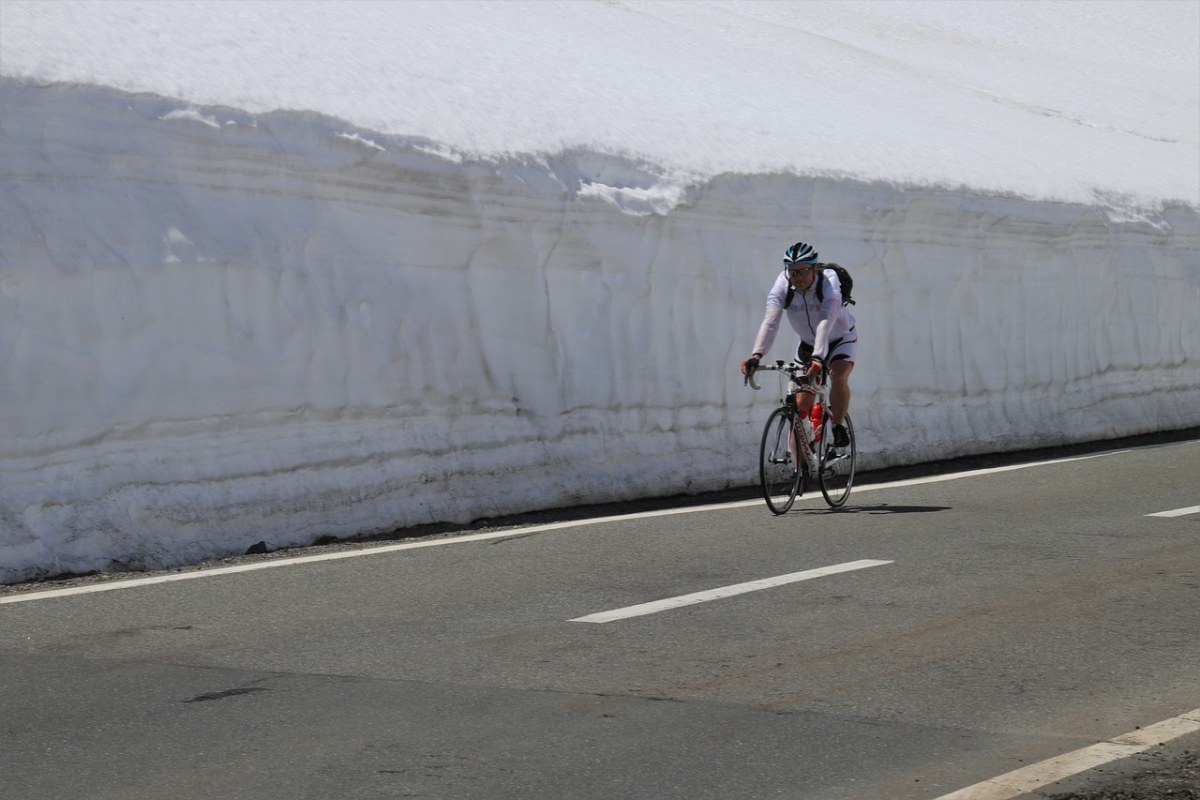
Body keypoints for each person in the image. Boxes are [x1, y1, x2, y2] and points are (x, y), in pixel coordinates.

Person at [741, 241, 857, 448]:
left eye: (803, 271)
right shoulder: (784, 284)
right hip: (808, 345)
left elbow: (826, 319)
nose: (797, 277)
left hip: (840, 338)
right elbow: (771, 320)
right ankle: (800, 471)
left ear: (815, 268)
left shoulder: (828, 282)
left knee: (836, 376)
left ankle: (838, 425)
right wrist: (756, 355)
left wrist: (819, 357)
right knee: (800, 409)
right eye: (792, 272)